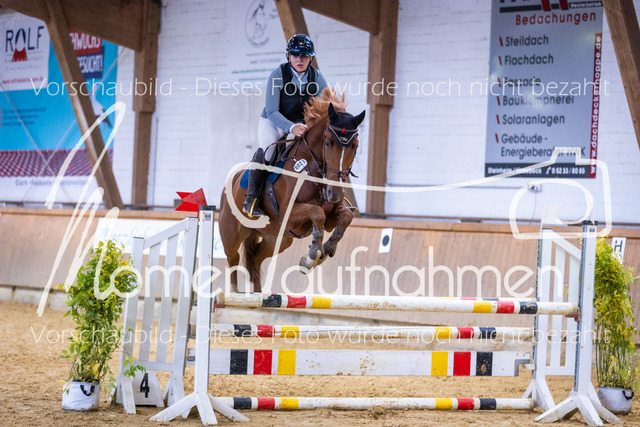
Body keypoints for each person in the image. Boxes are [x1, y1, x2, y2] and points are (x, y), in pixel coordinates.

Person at [243, 33, 328, 218]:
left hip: (303, 124)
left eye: (304, 56)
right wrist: (291, 127)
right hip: (274, 122)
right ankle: (251, 199)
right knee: (269, 151)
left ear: (310, 58)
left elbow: (325, 107)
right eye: (295, 55)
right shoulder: (277, 75)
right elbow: (272, 110)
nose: (300, 60)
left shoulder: (318, 77)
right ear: (289, 56)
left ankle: (331, 195)